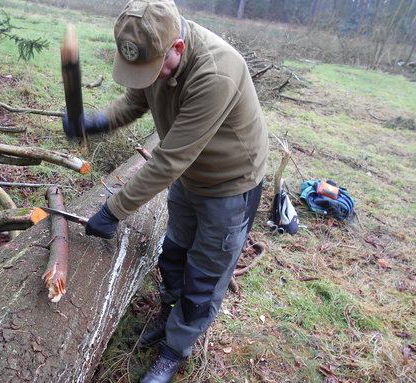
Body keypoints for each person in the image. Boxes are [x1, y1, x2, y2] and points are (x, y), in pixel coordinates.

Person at [63, 1, 268, 382]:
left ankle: (174, 351)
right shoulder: (155, 53)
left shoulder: (216, 72)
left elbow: (169, 160)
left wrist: (112, 210)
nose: (149, 76)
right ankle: (167, 314)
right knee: (173, 253)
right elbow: (135, 100)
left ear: (177, 46)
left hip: (229, 187)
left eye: (154, 68)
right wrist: (95, 122)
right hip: (190, 177)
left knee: (204, 276)